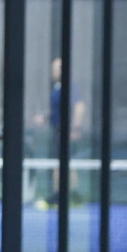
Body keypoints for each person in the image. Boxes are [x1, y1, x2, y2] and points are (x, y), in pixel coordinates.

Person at [34, 57, 86, 208]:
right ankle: (74, 196)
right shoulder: (58, 87)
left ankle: (57, 197)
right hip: (57, 131)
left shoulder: (70, 87)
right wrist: (44, 118)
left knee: (60, 165)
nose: (54, 71)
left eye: (58, 68)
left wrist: (75, 128)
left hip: (66, 133)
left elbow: (80, 106)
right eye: (54, 68)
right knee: (69, 164)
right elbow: (56, 111)